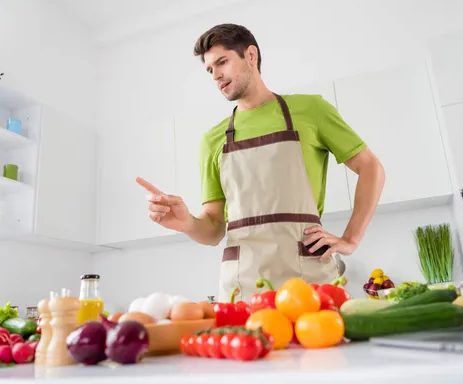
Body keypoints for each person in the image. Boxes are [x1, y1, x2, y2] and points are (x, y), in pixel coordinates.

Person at [136, 23, 385, 302]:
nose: (216, 75)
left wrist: (351, 239)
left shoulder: (311, 110)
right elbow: (214, 228)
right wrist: (186, 223)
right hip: (243, 286)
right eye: (209, 70)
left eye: (222, 62)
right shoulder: (213, 140)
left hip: (308, 279)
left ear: (251, 56)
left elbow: (370, 167)